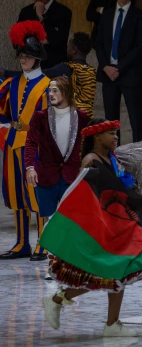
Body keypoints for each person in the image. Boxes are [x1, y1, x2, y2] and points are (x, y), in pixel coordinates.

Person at [41, 118, 142, 337]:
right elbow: (84, 195)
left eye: (117, 133)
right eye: (111, 134)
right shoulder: (91, 160)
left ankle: (110, 323)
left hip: (116, 221)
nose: (116, 137)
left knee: (120, 269)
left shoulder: (110, 159)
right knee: (104, 272)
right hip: (99, 226)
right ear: (97, 136)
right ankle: (61, 301)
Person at [0, 21, 51, 260]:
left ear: (37, 59)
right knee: (17, 195)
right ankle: (22, 243)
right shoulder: (11, 84)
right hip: (12, 145)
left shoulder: (47, 87)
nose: (23, 59)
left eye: (28, 56)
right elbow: (3, 114)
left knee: (37, 194)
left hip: (36, 146)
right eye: (21, 55)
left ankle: (43, 242)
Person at [24, 76, 89, 249]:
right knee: (50, 222)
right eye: (49, 90)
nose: (50, 94)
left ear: (66, 92)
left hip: (71, 177)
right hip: (46, 176)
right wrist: (30, 167)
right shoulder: (40, 117)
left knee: (71, 221)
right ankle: (52, 263)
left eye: (55, 90)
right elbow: (30, 142)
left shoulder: (81, 117)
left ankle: (70, 263)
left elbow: (91, 143)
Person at [95, 0, 142, 143]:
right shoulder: (107, 14)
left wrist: (119, 68)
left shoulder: (140, 15)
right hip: (108, 73)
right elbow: (99, 42)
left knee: (136, 120)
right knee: (111, 120)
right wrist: (105, 66)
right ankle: (113, 155)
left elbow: (140, 47)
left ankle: (139, 156)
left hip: (130, 73)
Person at [17, 0, 72, 69]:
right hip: (30, 68)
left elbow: (59, 40)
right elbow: (17, 38)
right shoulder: (26, 12)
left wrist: (41, 16)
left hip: (54, 67)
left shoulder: (64, 12)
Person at [43, 32, 97, 119]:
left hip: (72, 120)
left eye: (69, 47)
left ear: (74, 49)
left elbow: (38, 75)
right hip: (87, 120)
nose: (67, 49)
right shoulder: (91, 71)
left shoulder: (67, 68)